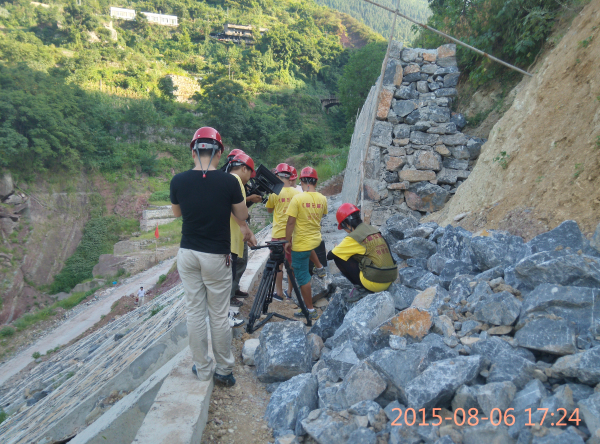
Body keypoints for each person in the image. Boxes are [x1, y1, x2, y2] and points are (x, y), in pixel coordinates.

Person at [170, 126, 249, 387]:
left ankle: (202, 368)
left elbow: (177, 214)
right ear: (219, 153)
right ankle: (224, 370)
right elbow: (242, 215)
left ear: (193, 151)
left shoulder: (178, 181)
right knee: (218, 314)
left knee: (195, 312)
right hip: (216, 257)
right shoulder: (230, 182)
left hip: (188, 253)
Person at [327, 203, 398, 302]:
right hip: (391, 276)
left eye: (343, 228)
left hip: (376, 283)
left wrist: (337, 248)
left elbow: (330, 255)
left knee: (338, 257)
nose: (345, 231)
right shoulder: (372, 229)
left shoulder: (353, 237)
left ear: (346, 224)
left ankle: (361, 289)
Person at [284, 167, 328, 320]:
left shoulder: (298, 199)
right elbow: (322, 215)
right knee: (308, 251)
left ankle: (310, 310)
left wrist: (286, 241)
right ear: (315, 181)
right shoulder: (323, 199)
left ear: (302, 181)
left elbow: (290, 223)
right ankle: (320, 268)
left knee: (303, 277)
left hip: (300, 244)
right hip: (315, 240)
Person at [265, 163, 300, 300]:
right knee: (291, 264)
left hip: (278, 234)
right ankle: (289, 292)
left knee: (278, 265)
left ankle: (279, 293)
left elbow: (269, 210)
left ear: (277, 176)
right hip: (292, 235)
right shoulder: (297, 193)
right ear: (289, 176)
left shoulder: (275, 192)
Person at [228, 153, 258, 310]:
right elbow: (231, 206)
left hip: (233, 233)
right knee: (231, 268)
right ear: (244, 169)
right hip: (231, 233)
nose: (249, 179)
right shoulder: (235, 180)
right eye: (250, 174)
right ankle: (229, 297)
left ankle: (233, 291)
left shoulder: (229, 179)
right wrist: (243, 226)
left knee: (236, 265)